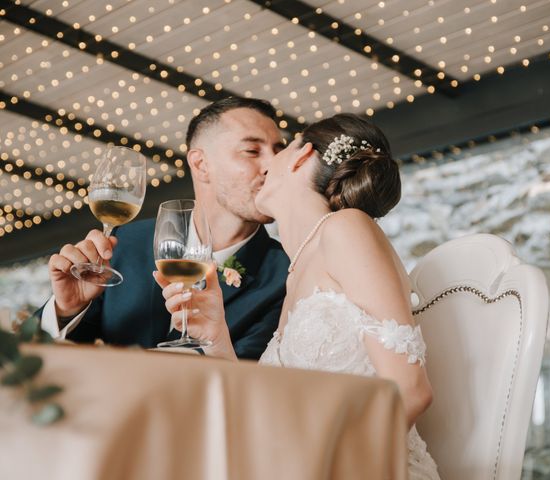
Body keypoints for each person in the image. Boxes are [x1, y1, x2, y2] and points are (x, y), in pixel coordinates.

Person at [157, 113, 440, 478]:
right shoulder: (297, 269)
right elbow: (271, 413)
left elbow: (412, 390)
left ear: (301, 156)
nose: (265, 165)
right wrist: (218, 338)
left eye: (281, 147)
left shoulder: (346, 229)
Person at [37, 97, 290, 359]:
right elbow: (40, 362)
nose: (274, 166)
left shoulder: (285, 276)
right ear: (201, 164)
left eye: (278, 152)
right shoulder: (126, 243)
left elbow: (253, 384)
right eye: (252, 151)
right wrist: (65, 310)